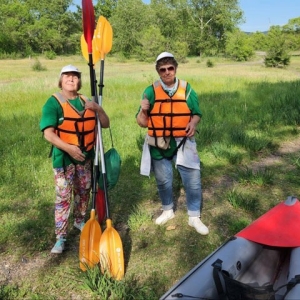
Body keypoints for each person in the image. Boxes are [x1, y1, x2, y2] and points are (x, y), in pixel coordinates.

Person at [136, 52, 209, 235]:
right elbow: (142, 122)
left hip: (183, 139)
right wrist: (144, 111)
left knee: (192, 178)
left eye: (170, 68)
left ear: (175, 68)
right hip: (159, 142)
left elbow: (197, 112)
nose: (167, 72)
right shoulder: (150, 91)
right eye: (163, 69)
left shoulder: (187, 88)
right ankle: (168, 210)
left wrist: (192, 123)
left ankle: (194, 216)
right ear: (158, 71)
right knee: (163, 179)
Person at [39, 65, 110, 253]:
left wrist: (98, 109)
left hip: (85, 158)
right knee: (63, 198)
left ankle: (79, 222)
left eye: (75, 76)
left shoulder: (87, 101)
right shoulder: (53, 103)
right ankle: (60, 237)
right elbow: (48, 134)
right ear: (61, 80)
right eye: (67, 76)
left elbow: (105, 124)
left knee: (84, 192)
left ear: (79, 81)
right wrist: (70, 149)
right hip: (64, 160)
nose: (71, 79)